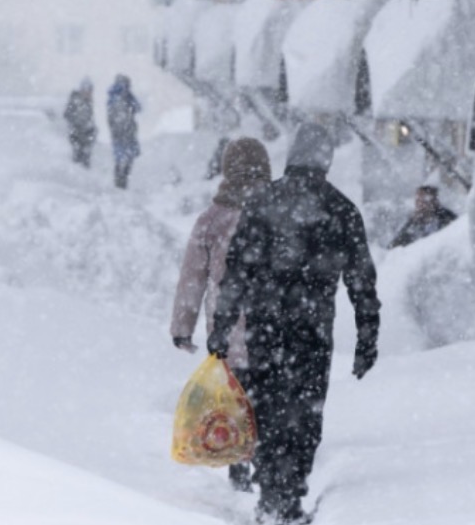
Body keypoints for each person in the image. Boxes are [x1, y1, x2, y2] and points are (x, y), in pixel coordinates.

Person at [209, 123, 381, 525]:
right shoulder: (340, 209)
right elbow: (361, 280)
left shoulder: (261, 203)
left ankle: (270, 489)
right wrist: (366, 336)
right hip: (312, 330)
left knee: (265, 406)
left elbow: (237, 272)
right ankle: (289, 493)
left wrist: (222, 326)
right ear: (326, 159)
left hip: (264, 327)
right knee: (304, 412)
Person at [170, 137, 273, 492]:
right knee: (266, 400)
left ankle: (237, 466)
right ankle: (266, 467)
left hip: (227, 331)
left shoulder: (211, 219)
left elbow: (193, 277)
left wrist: (183, 327)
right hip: (272, 329)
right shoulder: (279, 211)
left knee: (232, 402)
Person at [387, 185, 458, 249]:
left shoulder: (448, 219)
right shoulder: (412, 225)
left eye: (423, 201)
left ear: (434, 202)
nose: (419, 206)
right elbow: (394, 248)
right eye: (417, 201)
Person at [107, 74, 142, 188]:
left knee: (123, 158)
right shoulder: (118, 99)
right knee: (123, 159)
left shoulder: (123, 98)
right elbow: (135, 109)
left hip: (124, 134)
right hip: (123, 134)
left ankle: (121, 182)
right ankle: (121, 183)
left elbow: (137, 107)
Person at [63, 78, 97, 168]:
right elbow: (67, 115)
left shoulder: (88, 102)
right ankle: (76, 178)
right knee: (78, 159)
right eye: (88, 90)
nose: (89, 93)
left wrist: (92, 131)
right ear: (83, 89)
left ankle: (83, 178)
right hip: (77, 135)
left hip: (85, 136)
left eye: (90, 90)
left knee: (85, 159)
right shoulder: (76, 101)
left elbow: (89, 119)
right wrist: (76, 126)